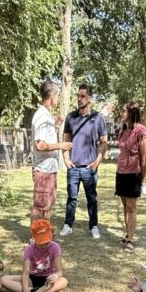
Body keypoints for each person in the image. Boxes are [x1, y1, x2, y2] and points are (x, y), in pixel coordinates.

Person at [59, 84, 108, 239]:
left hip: (89, 168)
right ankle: (68, 225)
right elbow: (65, 139)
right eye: (78, 96)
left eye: (83, 96)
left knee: (91, 199)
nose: (79, 99)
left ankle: (93, 226)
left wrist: (97, 161)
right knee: (71, 198)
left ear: (90, 98)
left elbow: (104, 142)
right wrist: (66, 158)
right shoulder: (70, 117)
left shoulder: (98, 118)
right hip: (73, 166)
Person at [31, 80, 73, 222]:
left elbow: (46, 139)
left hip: (49, 169)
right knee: (39, 206)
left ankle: (46, 234)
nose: (58, 99)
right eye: (58, 95)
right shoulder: (42, 116)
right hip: (43, 171)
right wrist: (61, 145)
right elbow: (40, 145)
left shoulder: (47, 116)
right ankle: (35, 239)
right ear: (52, 95)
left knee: (47, 205)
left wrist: (55, 126)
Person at [1, 219, 68, 292]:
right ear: (34, 238)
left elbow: (59, 272)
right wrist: (26, 289)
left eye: (46, 242)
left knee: (63, 281)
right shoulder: (29, 249)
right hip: (32, 279)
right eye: (41, 242)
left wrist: (56, 276)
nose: (44, 245)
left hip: (48, 280)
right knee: (3, 279)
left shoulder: (55, 247)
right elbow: (25, 273)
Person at [115, 101, 146, 251]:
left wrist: (142, 176)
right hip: (121, 172)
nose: (121, 113)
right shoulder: (123, 130)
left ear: (131, 113)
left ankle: (131, 240)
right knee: (124, 206)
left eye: (124, 111)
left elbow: (145, 157)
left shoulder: (140, 130)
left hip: (134, 173)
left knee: (131, 207)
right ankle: (128, 233)